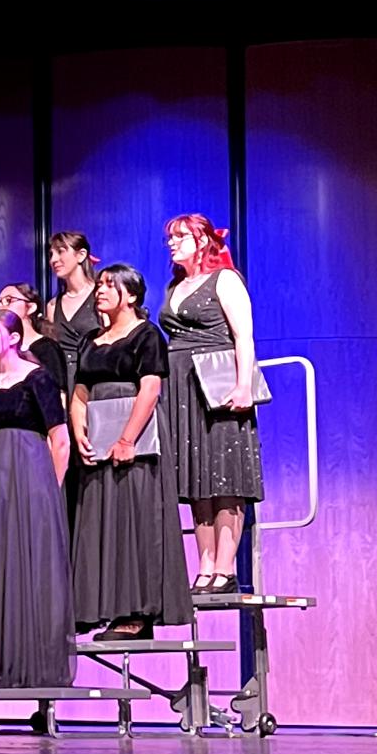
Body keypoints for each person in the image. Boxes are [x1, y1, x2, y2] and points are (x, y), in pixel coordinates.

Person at [71, 263, 193, 639]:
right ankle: (98, 607)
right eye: (100, 285)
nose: (101, 291)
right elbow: (81, 391)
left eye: (110, 285)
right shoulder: (89, 339)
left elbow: (150, 389)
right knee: (100, 519)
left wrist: (127, 439)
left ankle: (137, 613)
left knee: (135, 520)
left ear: (132, 296)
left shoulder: (147, 335)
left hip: (133, 436)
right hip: (98, 435)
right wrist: (79, 430)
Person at [0, 311, 73, 688]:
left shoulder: (37, 377)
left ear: (14, 338)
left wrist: (50, 494)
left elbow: (60, 440)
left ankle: (32, 661)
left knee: (30, 565)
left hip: (31, 479)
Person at [160, 212, 264, 592]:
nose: (172, 244)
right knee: (195, 479)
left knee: (225, 477)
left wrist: (243, 386)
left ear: (203, 241)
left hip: (218, 388)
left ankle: (226, 567)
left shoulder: (225, 280)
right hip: (181, 390)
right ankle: (204, 566)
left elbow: (243, 337)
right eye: (170, 238)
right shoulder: (174, 287)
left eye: (180, 237)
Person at [45, 231, 102, 391]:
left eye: (61, 251)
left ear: (81, 255)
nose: (53, 260)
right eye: (51, 254)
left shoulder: (100, 295)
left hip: (94, 378)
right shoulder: (53, 306)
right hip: (65, 382)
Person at [0, 282, 68, 380]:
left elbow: (59, 390)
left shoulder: (47, 348)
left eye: (9, 300)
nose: (0, 306)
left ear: (31, 307)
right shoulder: (0, 349)